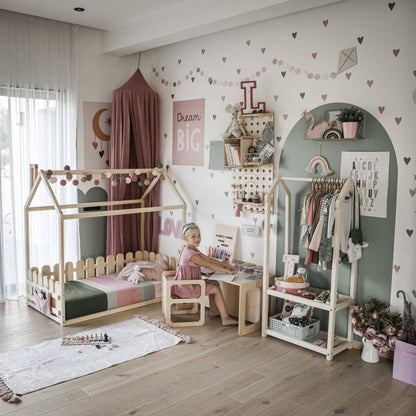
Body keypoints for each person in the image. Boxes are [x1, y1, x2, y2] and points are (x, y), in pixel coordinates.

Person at [172, 222, 238, 326]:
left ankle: (213, 311)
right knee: (215, 289)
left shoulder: (191, 249)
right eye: (193, 236)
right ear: (185, 238)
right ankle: (225, 318)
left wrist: (224, 265)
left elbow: (209, 259)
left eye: (199, 235)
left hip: (189, 283)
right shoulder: (190, 254)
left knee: (215, 283)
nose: (197, 238)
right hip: (187, 287)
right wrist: (226, 270)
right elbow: (208, 265)